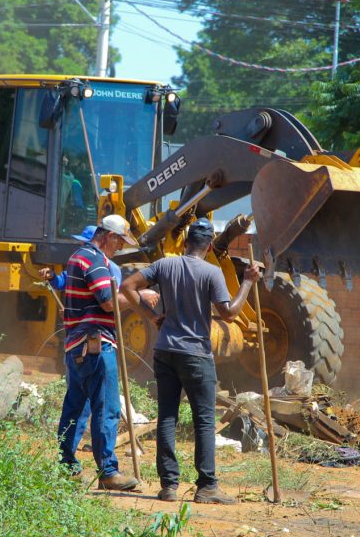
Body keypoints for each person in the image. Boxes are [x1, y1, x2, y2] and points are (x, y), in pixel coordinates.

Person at [121, 218, 261, 504]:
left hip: (165, 350)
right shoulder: (212, 273)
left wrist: (151, 317)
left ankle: (168, 486)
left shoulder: (164, 265)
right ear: (209, 246)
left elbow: (127, 285)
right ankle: (207, 486)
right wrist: (247, 282)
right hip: (196, 354)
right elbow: (230, 314)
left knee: (167, 416)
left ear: (185, 242)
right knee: (204, 421)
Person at [57, 214, 139, 490]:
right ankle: (108, 471)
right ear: (110, 236)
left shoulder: (78, 257)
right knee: (107, 408)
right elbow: (107, 302)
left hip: (76, 345)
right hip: (96, 344)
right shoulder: (94, 260)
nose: (120, 248)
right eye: (120, 242)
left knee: (75, 406)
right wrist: (139, 298)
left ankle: (67, 466)